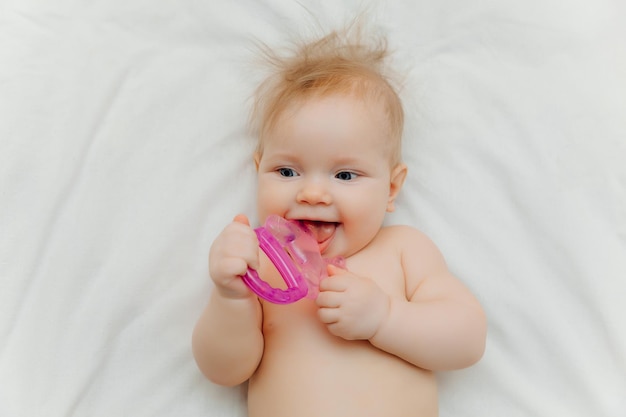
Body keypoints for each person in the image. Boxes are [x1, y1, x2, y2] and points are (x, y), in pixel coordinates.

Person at [192, 22, 487, 417]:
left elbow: (467, 341)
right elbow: (224, 371)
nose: (312, 194)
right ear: (258, 169)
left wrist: (385, 318)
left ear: (392, 189)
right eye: (287, 172)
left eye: (345, 176)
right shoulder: (262, 268)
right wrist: (230, 297)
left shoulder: (404, 251)